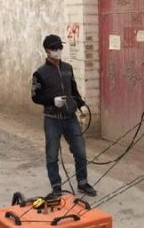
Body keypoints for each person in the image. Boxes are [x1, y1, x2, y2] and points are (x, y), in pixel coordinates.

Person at [31, 34, 96, 197]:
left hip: (70, 118)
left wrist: (81, 104)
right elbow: (35, 97)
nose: (58, 51)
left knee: (80, 151)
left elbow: (73, 90)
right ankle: (56, 186)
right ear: (47, 50)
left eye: (60, 47)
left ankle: (83, 183)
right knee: (52, 154)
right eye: (54, 48)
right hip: (52, 119)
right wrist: (52, 101)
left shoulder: (68, 68)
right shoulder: (40, 73)